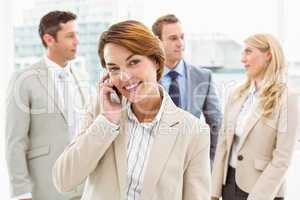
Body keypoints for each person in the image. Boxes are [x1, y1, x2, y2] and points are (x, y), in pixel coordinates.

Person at [53, 20, 211, 200]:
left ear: (157, 62)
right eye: (114, 68)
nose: (125, 77)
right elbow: (63, 180)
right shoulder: (100, 110)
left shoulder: (193, 132)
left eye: (133, 62)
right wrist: (107, 121)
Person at [5, 10, 89, 200]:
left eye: (77, 35)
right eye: (70, 36)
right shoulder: (24, 79)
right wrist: (21, 191)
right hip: (45, 187)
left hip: (83, 185)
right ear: (49, 39)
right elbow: (15, 141)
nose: (77, 41)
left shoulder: (82, 77)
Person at [211, 33, 299, 200]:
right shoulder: (236, 94)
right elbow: (223, 144)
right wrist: (214, 191)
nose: (243, 59)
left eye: (248, 52)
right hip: (229, 185)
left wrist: (258, 197)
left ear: (268, 55)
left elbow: (282, 158)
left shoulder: (287, 99)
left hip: (263, 190)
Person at [152, 14, 222, 163]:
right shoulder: (147, 77)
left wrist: (209, 162)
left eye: (182, 37)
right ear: (157, 42)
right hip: (154, 161)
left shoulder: (203, 77)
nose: (180, 43)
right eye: (173, 38)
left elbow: (216, 124)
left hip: (191, 161)